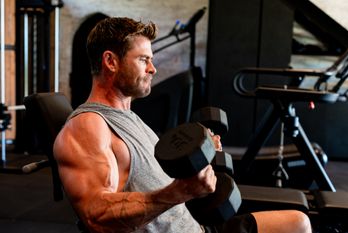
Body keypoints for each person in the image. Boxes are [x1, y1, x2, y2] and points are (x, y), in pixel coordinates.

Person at [53, 17, 312, 233]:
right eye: (144, 59)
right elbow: (95, 215)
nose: (153, 68)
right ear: (111, 61)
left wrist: (200, 161)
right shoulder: (88, 126)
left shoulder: (130, 117)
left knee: (298, 222)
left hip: (197, 226)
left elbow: (158, 182)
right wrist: (179, 192)